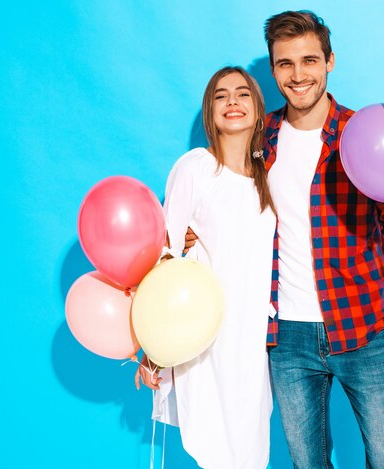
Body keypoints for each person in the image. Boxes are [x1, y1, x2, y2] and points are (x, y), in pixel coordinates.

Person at [262, 11, 384, 468]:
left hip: (362, 326)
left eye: (309, 60)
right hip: (287, 339)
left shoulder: (366, 132)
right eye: (285, 64)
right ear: (274, 68)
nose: (298, 75)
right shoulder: (261, 140)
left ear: (330, 62)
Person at [134, 66, 277, 469]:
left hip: (252, 341)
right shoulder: (196, 168)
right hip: (206, 337)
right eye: (221, 95)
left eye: (243, 93)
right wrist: (154, 345)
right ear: (209, 112)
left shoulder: (269, 178)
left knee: (250, 450)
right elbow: (163, 255)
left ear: (258, 109)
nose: (233, 101)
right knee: (214, 448)